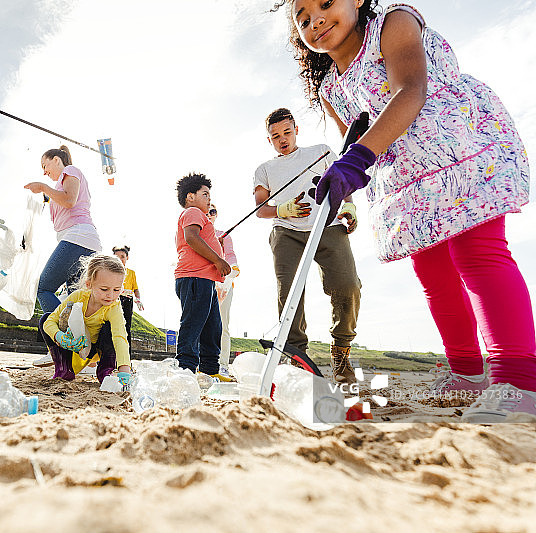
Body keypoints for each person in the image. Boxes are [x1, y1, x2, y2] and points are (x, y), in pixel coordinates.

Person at [283, 0, 534, 420]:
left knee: (477, 256)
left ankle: (518, 379)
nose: (316, 20)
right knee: (433, 274)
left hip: (460, 149)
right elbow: (356, 139)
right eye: (303, 18)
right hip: (409, 180)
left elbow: (410, 89)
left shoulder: (392, 23)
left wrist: (357, 158)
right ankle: (468, 373)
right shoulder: (331, 88)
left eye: (326, 3)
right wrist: (341, 184)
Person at [253, 108, 361, 384]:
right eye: (275, 136)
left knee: (347, 285)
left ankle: (341, 354)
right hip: (286, 232)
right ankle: (298, 358)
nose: (282, 139)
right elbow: (261, 208)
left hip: (328, 225)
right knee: (288, 293)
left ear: (296, 129)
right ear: (269, 140)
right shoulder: (264, 169)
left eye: (287, 132)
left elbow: (344, 183)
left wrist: (348, 205)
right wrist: (283, 208)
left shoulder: (322, 152)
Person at [25, 145, 102, 367]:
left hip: (78, 238)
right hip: (81, 240)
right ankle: (85, 358)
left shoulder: (71, 171)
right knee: (75, 300)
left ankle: (60, 343)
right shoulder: (60, 182)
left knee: (44, 287)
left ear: (56, 160)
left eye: (45, 165)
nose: (44, 171)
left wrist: (43, 187)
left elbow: (69, 200)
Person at [174, 173, 233, 382]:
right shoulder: (193, 212)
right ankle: (186, 369)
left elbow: (199, 237)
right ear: (190, 196)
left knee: (213, 325)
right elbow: (191, 238)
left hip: (204, 280)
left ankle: (209, 369)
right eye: (205, 194)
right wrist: (218, 260)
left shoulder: (200, 217)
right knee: (193, 323)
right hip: (193, 278)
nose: (209, 199)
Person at [39, 254, 132, 385]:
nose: (111, 295)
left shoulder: (113, 307)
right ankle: (64, 369)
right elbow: (49, 321)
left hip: (96, 350)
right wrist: (60, 337)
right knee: (45, 318)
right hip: (72, 345)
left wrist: (124, 371)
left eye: (117, 289)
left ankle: (105, 372)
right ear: (89, 284)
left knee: (109, 329)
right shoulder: (78, 296)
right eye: (104, 289)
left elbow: (120, 337)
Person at [206, 205, 240, 378]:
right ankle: (201, 364)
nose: (209, 214)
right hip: (204, 282)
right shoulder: (198, 234)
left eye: (212, 211)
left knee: (222, 326)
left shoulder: (223, 235)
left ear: (216, 215)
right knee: (201, 324)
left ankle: (223, 365)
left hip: (224, 283)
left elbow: (231, 255)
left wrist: (234, 269)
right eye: (206, 211)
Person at [112, 245, 143, 353]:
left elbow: (136, 289)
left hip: (127, 301)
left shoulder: (131, 273)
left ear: (127, 258)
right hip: (114, 300)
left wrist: (138, 299)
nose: (120, 260)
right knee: (112, 327)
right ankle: (111, 357)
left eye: (122, 257)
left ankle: (126, 357)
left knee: (126, 327)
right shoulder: (111, 272)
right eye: (116, 257)